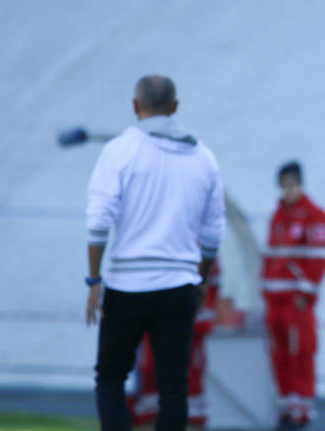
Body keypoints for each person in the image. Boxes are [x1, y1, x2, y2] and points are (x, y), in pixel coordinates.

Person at [85, 75, 225, 431]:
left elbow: (99, 221)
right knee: (174, 388)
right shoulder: (203, 157)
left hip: (126, 285)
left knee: (110, 377)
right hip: (178, 285)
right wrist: (202, 278)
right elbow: (212, 235)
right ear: (175, 107)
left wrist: (94, 280)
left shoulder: (119, 150)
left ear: (135, 106)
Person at [261, 161, 325, 430]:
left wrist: (306, 292)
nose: (288, 190)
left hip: (296, 300)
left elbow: (320, 258)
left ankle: (303, 408)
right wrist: (265, 288)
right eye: (284, 185)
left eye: (292, 184)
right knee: (279, 354)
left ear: (300, 183)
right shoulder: (277, 215)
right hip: (275, 299)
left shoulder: (314, 215)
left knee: (301, 351)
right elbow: (270, 256)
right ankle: (287, 406)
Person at [126, 258, 223, 430]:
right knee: (150, 401)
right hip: (154, 340)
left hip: (187, 341)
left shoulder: (203, 246)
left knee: (188, 400)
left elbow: (211, 292)